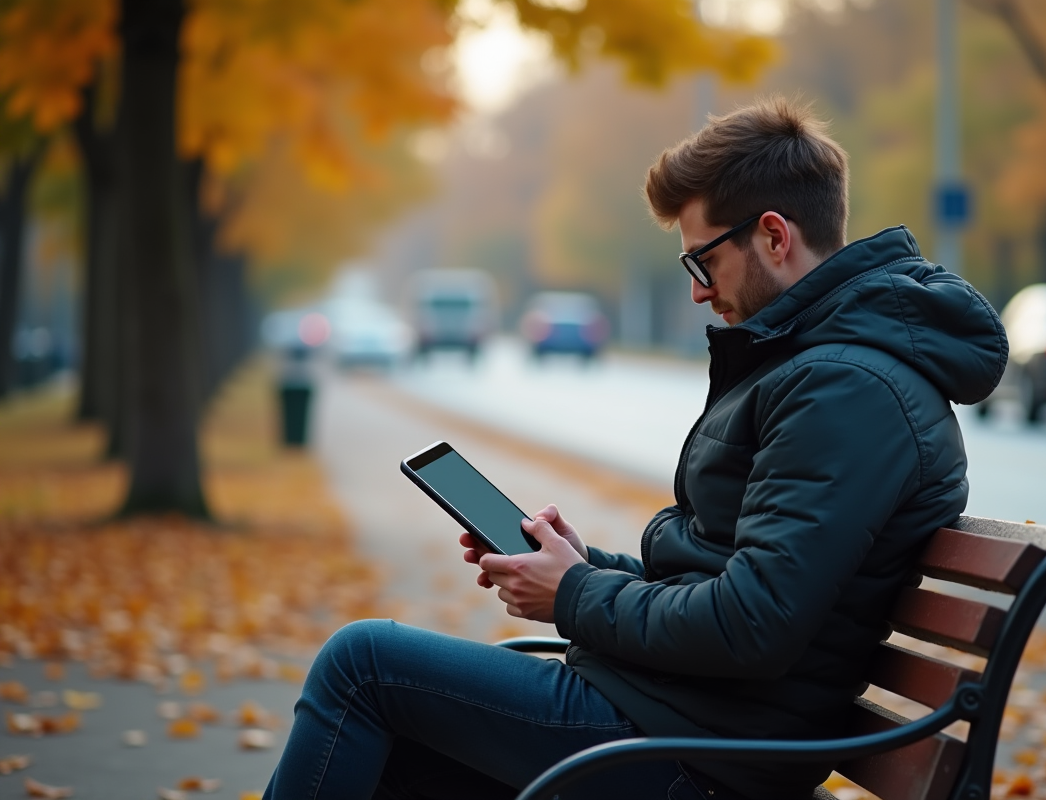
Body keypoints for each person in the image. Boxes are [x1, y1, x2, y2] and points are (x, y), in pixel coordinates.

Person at [262, 96, 1008, 800]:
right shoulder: (819, 368)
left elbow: (753, 624)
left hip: (697, 753)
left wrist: (572, 594)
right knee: (387, 744)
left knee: (361, 665)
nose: (698, 291)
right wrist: (580, 566)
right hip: (674, 717)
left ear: (775, 237)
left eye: (702, 262)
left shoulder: (848, 391)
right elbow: (731, 580)